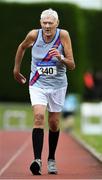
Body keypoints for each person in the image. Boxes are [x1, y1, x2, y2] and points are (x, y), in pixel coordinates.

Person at [13, 8, 75, 175]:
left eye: (50, 23)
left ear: (57, 23)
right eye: (44, 22)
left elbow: (72, 65)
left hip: (58, 85)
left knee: (54, 123)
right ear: (40, 23)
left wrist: (60, 58)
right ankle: (37, 160)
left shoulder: (63, 36)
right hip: (37, 84)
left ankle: (51, 159)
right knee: (39, 117)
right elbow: (21, 47)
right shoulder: (34, 35)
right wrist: (16, 70)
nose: (47, 26)